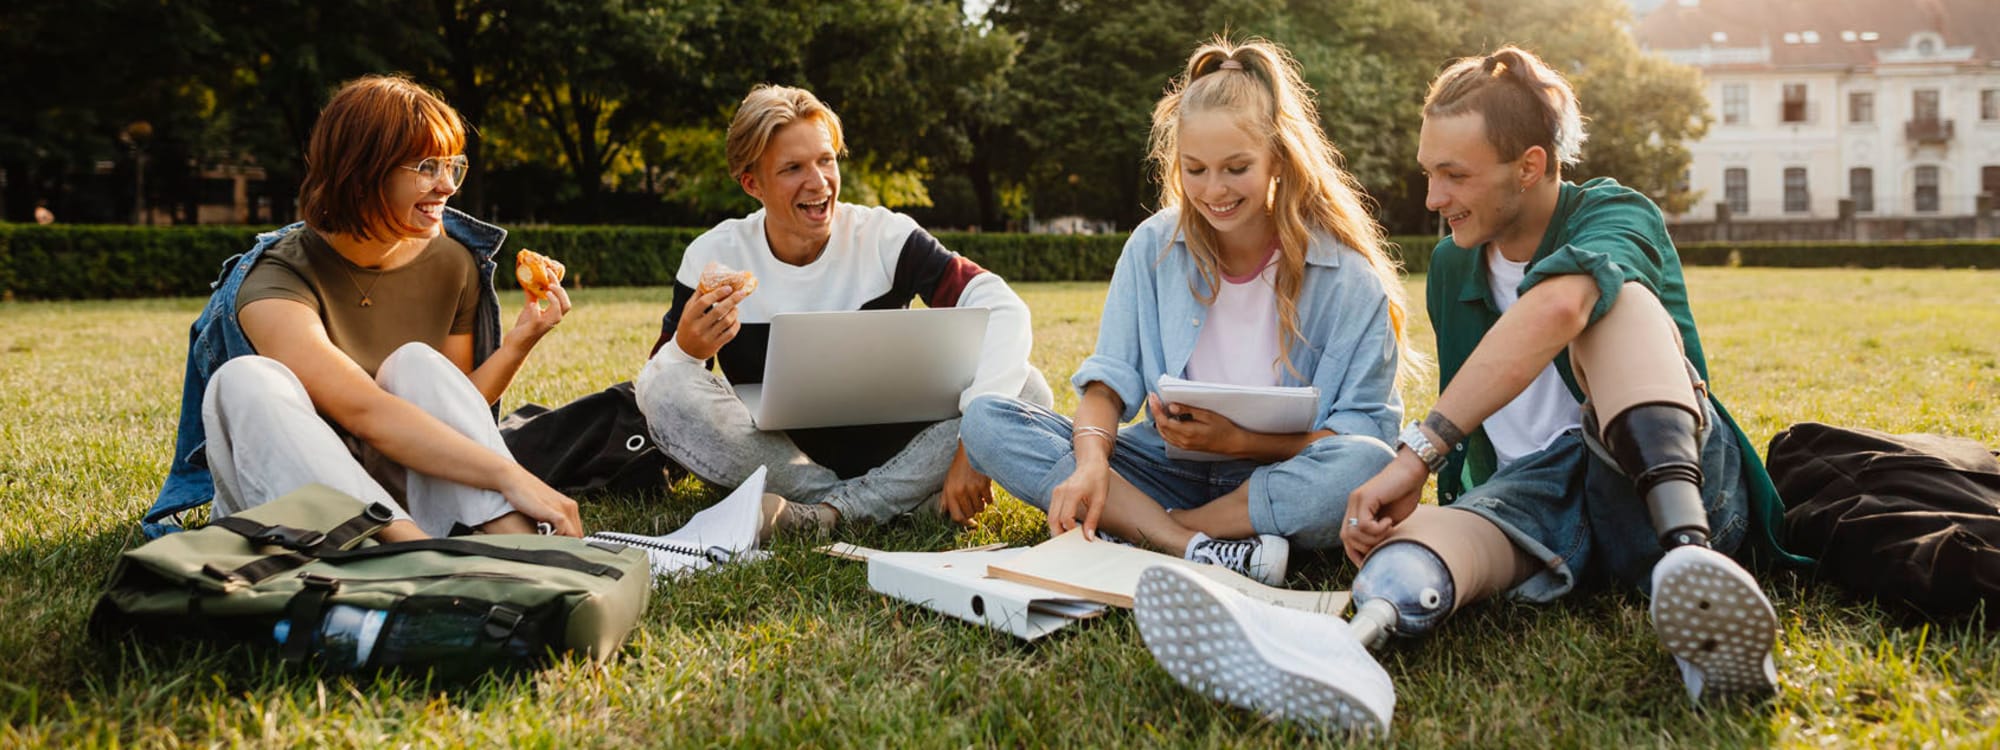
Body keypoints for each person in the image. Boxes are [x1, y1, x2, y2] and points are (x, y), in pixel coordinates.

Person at [1132, 45, 1797, 735]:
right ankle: (1340, 648)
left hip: (1660, 486)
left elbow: (1560, 310)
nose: (1432, 198)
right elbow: (1485, 437)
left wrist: (1417, 453)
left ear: (1529, 166)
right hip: (1536, 505)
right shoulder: (1453, 264)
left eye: (1454, 175)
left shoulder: (1614, 212)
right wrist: (1415, 503)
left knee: (1614, 300)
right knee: (1412, 547)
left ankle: (1691, 566)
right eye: (1429, 173)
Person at [960, 38, 1416, 586]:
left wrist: (1239, 443)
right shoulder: (1153, 247)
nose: (1213, 190)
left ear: (1279, 157)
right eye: (1194, 169)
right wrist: (1090, 465)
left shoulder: (1347, 278)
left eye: (1236, 168)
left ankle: (1153, 532)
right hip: (1162, 467)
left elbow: (1364, 434)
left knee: (1370, 464)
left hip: (1280, 479)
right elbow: (1108, 385)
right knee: (987, 419)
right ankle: (1194, 547)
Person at [144, 75, 581, 542]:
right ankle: (411, 552)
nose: (447, 185)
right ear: (362, 173)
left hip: (405, 485)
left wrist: (521, 340)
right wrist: (512, 475)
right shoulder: (273, 280)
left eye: (453, 165)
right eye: (426, 166)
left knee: (417, 363)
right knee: (243, 380)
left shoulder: (454, 261)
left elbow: (457, 404)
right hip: (299, 503)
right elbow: (363, 411)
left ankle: (510, 538)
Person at [634, 85, 1050, 536]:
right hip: (785, 462)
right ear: (752, 183)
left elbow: (1001, 305)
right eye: (793, 168)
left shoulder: (885, 237)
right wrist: (687, 350)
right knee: (666, 387)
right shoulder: (713, 256)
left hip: (900, 449)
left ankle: (829, 517)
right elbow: (662, 388)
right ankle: (893, 505)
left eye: (826, 159)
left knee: (1028, 389)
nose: (819, 182)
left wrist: (974, 441)